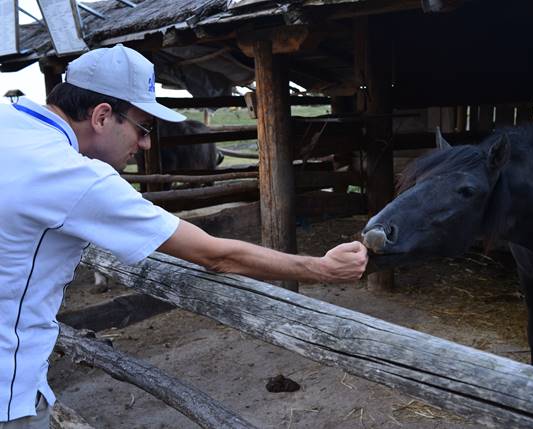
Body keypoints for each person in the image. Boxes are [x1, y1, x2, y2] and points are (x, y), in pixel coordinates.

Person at [0, 44, 368, 428]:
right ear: (102, 116)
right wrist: (322, 267)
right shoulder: (75, 176)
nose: (144, 144)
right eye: (142, 128)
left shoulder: (8, 123)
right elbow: (215, 255)